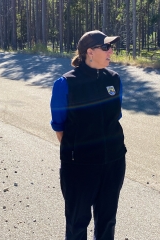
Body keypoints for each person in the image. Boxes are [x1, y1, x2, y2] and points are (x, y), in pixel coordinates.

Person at [50, 30, 126, 240]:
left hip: (113, 162)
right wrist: (79, 154)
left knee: (107, 220)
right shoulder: (65, 83)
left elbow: (115, 116)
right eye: (106, 47)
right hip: (80, 167)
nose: (111, 51)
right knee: (77, 222)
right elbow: (59, 127)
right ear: (90, 52)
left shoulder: (114, 79)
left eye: (111, 46)